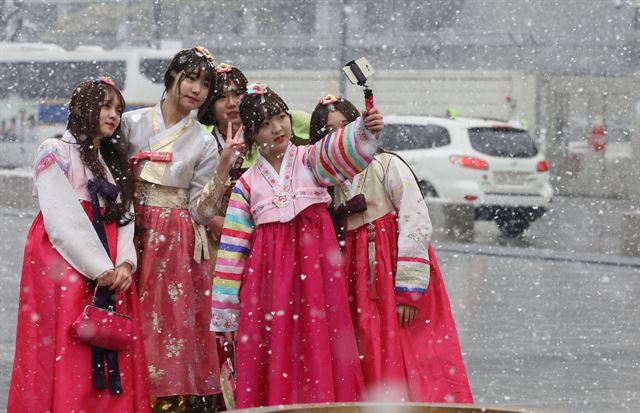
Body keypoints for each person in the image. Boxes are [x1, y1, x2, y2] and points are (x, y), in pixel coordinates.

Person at [210, 83, 384, 408]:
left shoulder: (311, 160)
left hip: (317, 282)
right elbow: (232, 253)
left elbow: (342, 148)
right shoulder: (247, 185)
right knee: (275, 351)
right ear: (250, 134)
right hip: (268, 288)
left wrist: (364, 128)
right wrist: (226, 315)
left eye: (280, 117)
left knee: (321, 345)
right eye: (264, 124)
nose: (276, 128)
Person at [309, 95, 474, 403]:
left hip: (393, 272)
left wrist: (409, 289)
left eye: (345, 126)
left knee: (414, 354)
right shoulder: (329, 183)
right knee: (369, 354)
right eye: (328, 131)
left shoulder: (387, 165)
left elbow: (416, 222)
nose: (338, 135)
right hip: (358, 282)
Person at [7, 77, 150, 412]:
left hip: (111, 267)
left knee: (107, 338)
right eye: (105, 105)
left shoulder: (112, 164)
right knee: (69, 342)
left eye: (118, 109)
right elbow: (61, 217)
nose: (113, 115)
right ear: (79, 107)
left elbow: (125, 218)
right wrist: (100, 267)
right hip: (66, 266)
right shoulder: (54, 151)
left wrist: (126, 264)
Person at [120, 47, 244, 412]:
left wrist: (222, 167)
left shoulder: (204, 140)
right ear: (172, 77)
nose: (197, 90)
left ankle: (168, 400)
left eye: (206, 84)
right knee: (130, 317)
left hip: (177, 240)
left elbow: (202, 211)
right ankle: (128, 395)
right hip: (132, 230)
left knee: (172, 328)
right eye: (190, 78)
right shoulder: (132, 124)